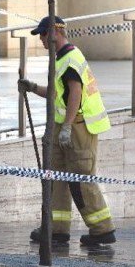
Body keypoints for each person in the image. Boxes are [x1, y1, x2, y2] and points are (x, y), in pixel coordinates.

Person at [19, 15, 116, 246]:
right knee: (56, 178)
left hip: (79, 128)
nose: (41, 40)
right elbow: (56, 93)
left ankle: (102, 230)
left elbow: (76, 93)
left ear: (55, 32)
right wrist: (32, 88)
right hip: (66, 127)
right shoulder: (60, 59)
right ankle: (56, 229)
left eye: (43, 34)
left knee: (80, 180)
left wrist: (67, 127)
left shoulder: (71, 58)